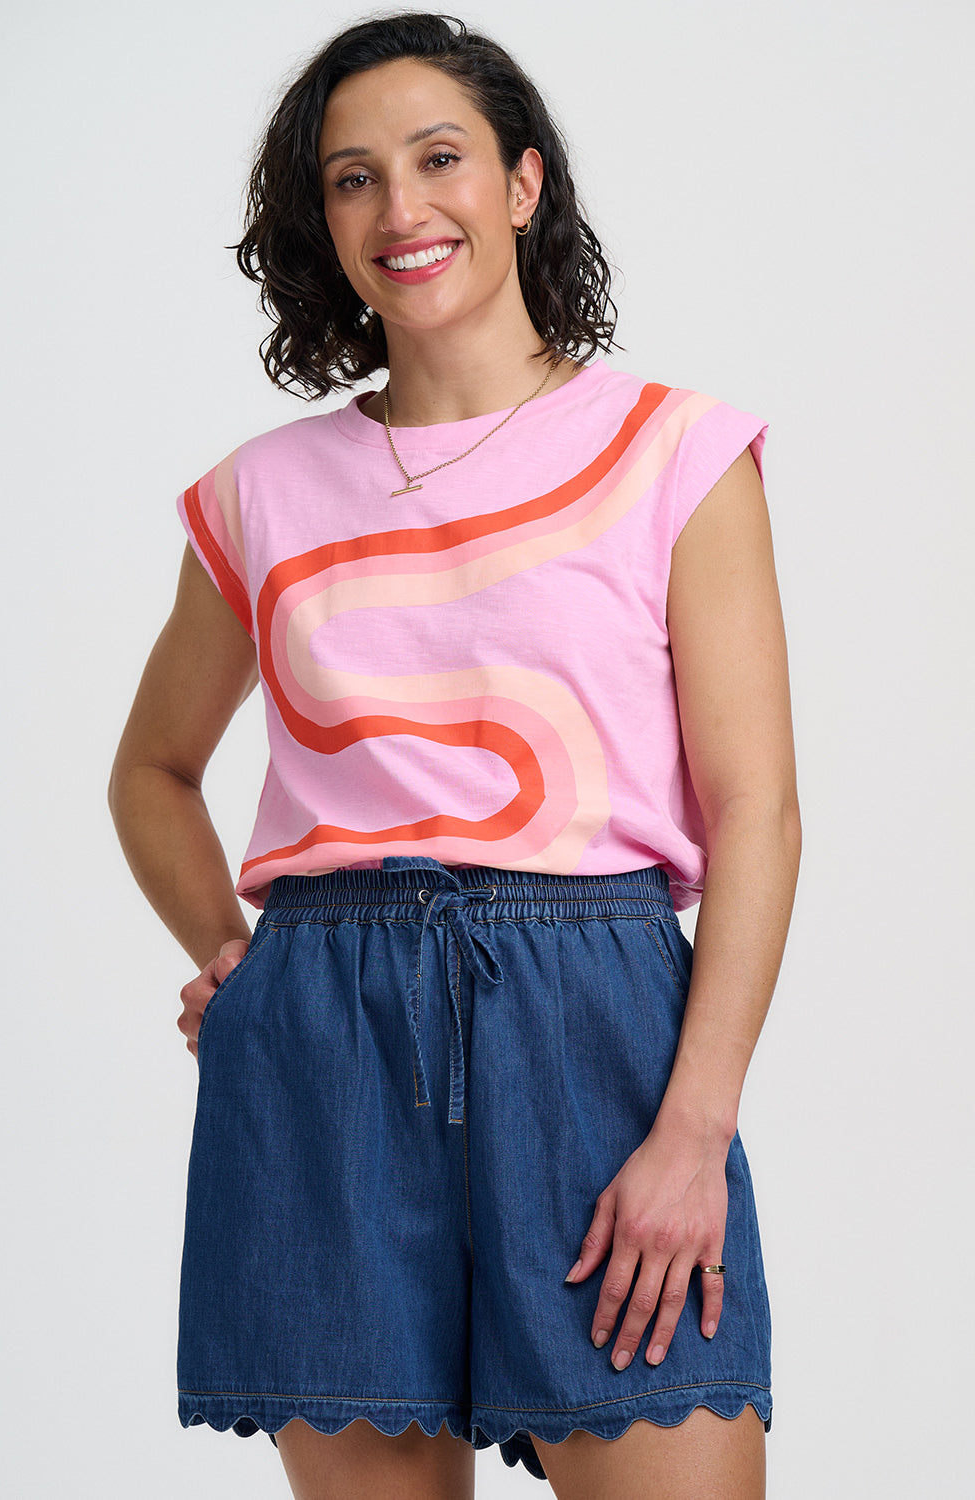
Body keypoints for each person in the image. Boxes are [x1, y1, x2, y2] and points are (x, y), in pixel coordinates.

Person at [109, 12, 800, 1498]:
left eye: (439, 160)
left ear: (524, 183)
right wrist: (237, 955)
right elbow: (152, 769)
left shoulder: (676, 453)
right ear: (323, 222)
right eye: (353, 179)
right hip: (326, 1035)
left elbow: (759, 814)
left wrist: (695, 1129)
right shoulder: (261, 496)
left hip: (598, 1029)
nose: (401, 208)